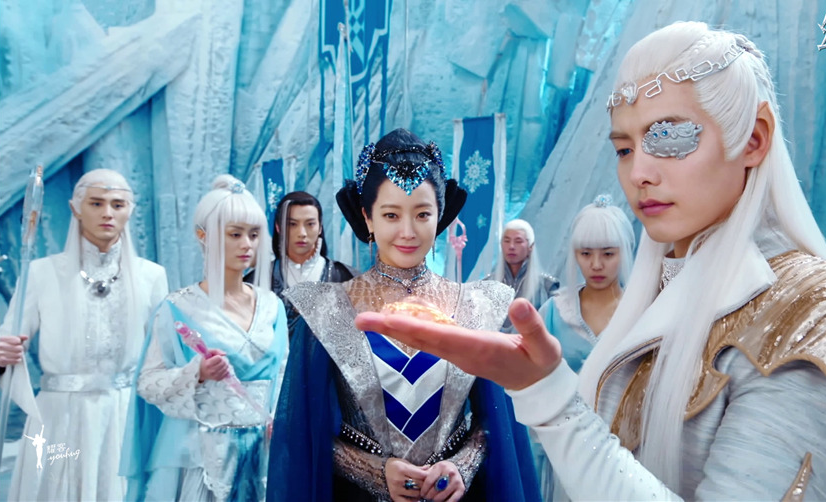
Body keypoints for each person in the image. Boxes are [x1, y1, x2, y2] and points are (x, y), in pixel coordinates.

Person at [355, 22, 826, 500]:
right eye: (625, 147)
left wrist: (549, 399)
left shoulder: (824, 312)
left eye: (670, 137)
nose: (639, 172)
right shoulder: (652, 296)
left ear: (754, 139)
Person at [267, 128, 538, 502]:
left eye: (422, 213)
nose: (408, 232)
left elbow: (497, 423)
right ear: (368, 217)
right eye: (391, 214)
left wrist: (463, 464)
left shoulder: (477, 305)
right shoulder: (327, 309)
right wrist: (372, 470)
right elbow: (303, 432)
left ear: (439, 215)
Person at [0, 169, 168, 501]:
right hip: (59, 416)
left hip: (123, 417)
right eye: (96, 203)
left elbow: (161, 358)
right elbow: (8, 339)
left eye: (118, 204)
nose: (107, 213)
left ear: (130, 210)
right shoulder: (41, 273)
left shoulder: (151, 277)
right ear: (76, 208)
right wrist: (2, 355)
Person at [121, 175, 288, 501]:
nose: (247, 244)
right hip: (201, 457)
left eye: (254, 234)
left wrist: (281, 421)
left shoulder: (272, 306)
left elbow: (283, 376)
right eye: (235, 234)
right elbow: (147, 382)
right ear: (203, 236)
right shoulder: (178, 308)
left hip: (263, 456)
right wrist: (196, 372)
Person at [533, 194, 635, 501]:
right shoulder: (554, 313)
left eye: (608, 253)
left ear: (625, 251)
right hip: (565, 448)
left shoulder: (642, 313)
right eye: (586, 253)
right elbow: (533, 384)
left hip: (626, 451)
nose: (596, 265)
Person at [267, 191, 356, 336]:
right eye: (292, 224)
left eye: (310, 224)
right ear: (278, 227)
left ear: (320, 227)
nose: (302, 233)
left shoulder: (347, 278)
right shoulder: (258, 281)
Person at [490, 219, 559, 331]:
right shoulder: (488, 284)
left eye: (518, 241)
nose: (511, 246)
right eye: (506, 241)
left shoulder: (548, 286)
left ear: (530, 246)